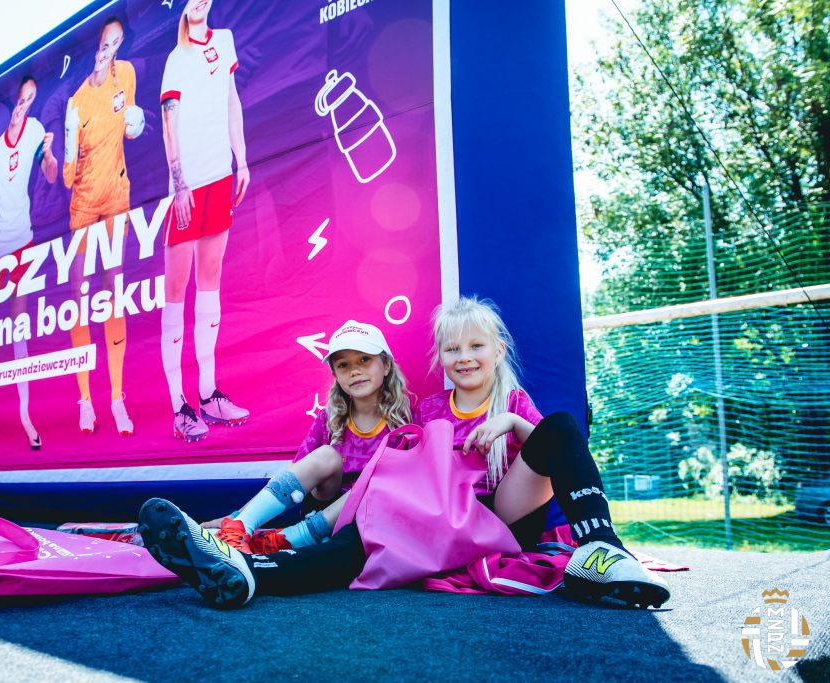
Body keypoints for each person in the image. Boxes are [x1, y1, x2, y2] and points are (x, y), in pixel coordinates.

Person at [139, 297, 671, 610]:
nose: (465, 357)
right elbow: (403, 475)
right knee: (360, 543)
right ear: (440, 357)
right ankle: (247, 571)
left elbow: (556, 452)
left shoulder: (511, 401)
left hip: (501, 514)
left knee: (560, 426)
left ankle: (601, 550)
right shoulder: (431, 409)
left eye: (476, 346)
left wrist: (511, 425)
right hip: (438, 517)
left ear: (498, 351)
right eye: (452, 349)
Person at [209, 320, 412, 554]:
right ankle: (239, 528)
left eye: (364, 359)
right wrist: (236, 516)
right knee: (327, 455)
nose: (355, 371)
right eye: (343, 365)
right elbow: (294, 473)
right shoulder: (329, 419)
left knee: (376, 480)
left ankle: (284, 539)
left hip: (364, 520)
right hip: (319, 509)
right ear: (335, 375)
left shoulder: (407, 422)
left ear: (386, 365)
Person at [159, 0, 251, 442]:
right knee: (176, 292)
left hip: (220, 177)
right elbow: (169, 124)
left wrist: (241, 159)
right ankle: (179, 404)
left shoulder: (225, 40)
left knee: (210, 282)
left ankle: (208, 393)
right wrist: (179, 183)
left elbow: (231, 101)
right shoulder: (176, 59)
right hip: (188, 186)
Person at [62, 16, 145, 435]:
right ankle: (84, 401)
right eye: (104, 43)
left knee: (113, 293)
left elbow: (130, 129)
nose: (108, 50)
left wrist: (136, 122)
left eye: (115, 43)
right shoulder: (76, 102)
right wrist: (59, 154)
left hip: (116, 198)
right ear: (95, 46)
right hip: (83, 206)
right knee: (79, 297)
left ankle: (116, 398)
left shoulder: (126, 74)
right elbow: (66, 176)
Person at [0, 75, 57, 455]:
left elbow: (51, 175)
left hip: (23, 242)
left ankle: (25, 418)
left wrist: (49, 155)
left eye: (29, 100)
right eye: (20, 100)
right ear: (13, 102)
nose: (23, 106)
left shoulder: (36, 130)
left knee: (19, 330)